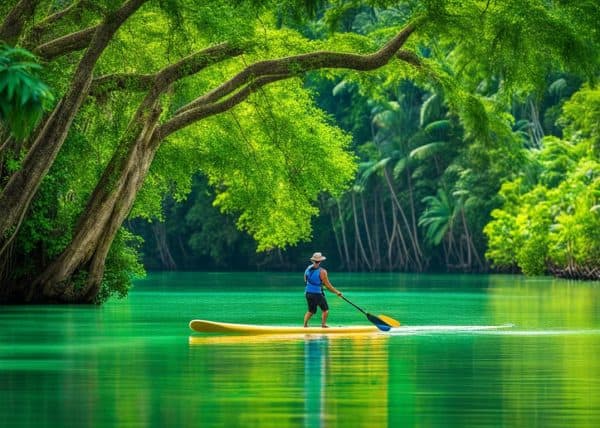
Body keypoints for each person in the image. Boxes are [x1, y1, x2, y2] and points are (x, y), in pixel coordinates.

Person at [304, 252, 342, 328]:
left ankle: (305, 325)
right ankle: (323, 325)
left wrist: (317, 284)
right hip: (317, 294)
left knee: (311, 311)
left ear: (313, 261)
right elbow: (328, 286)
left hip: (308, 293)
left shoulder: (308, 268)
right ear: (320, 261)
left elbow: (305, 279)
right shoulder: (322, 271)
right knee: (325, 310)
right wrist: (337, 292)